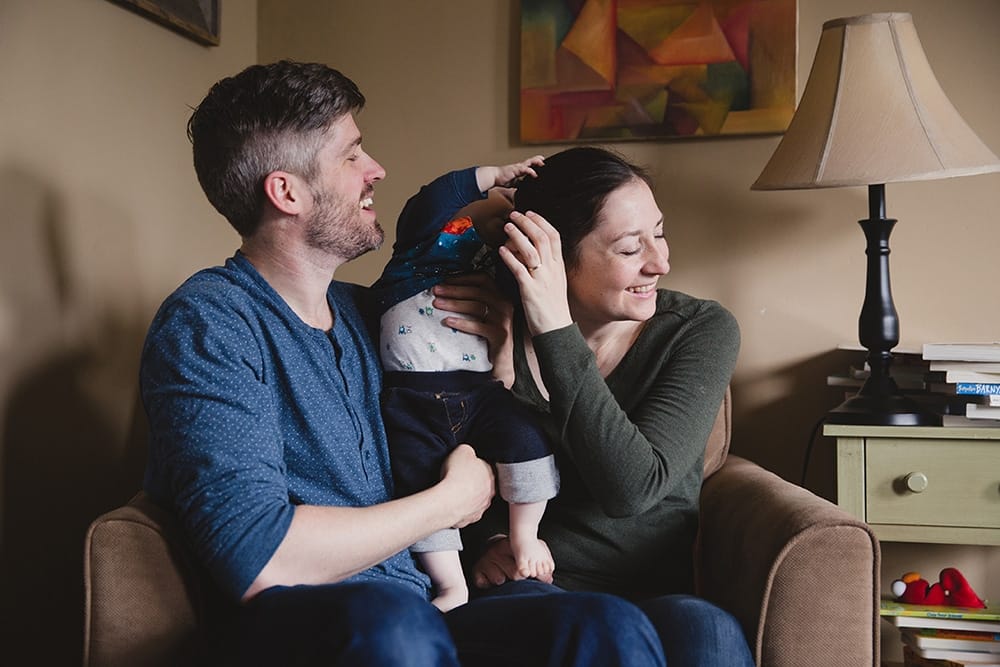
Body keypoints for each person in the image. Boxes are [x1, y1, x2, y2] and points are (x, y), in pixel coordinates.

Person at [139, 61, 668, 666]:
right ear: (286, 192)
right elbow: (256, 556)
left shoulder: (376, 316)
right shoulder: (211, 322)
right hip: (308, 623)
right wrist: (449, 503)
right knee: (390, 625)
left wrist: (494, 362)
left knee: (604, 625)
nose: (377, 170)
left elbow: (461, 412)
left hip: (420, 607)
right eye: (351, 155)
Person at [435, 146, 755, 665]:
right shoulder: (489, 325)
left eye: (660, 232)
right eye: (631, 248)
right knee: (599, 628)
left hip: (655, 591)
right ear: (553, 256)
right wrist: (488, 539)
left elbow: (632, 488)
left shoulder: (698, 331)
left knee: (709, 632)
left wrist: (554, 328)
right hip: (532, 586)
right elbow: (425, 452)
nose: (661, 262)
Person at [373, 158, 559, 611]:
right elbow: (431, 201)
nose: (507, 213)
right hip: (413, 396)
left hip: (479, 390)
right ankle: (450, 585)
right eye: (502, 202)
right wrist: (491, 177)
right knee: (420, 480)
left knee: (527, 439)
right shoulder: (422, 245)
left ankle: (524, 536)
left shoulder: (496, 267)